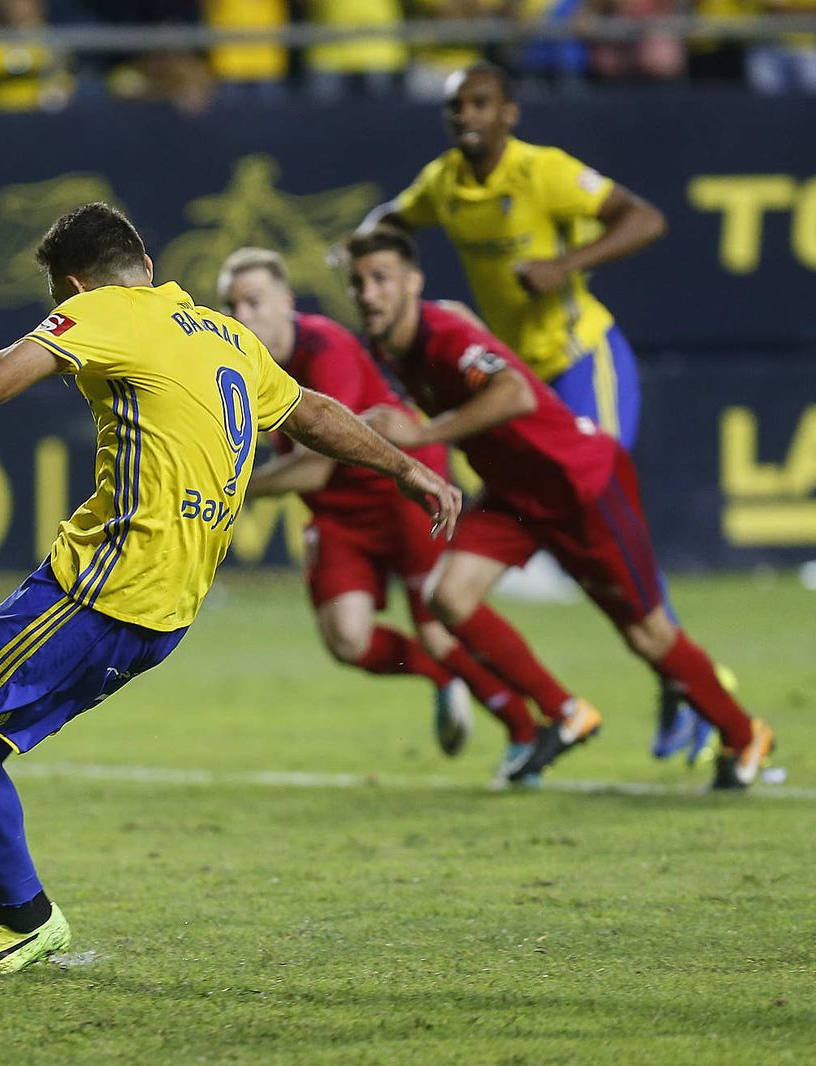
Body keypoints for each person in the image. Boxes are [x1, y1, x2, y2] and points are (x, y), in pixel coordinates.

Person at [0, 204, 461, 976]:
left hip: (106, 587)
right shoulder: (226, 335)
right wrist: (404, 465)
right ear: (148, 267)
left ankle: (24, 917)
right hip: (170, 608)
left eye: (60, 300)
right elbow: (313, 413)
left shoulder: (101, 313)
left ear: (76, 287)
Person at [355, 61, 717, 765]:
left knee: (605, 515)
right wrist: (361, 252)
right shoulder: (446, 185)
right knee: (583, 534)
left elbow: (645, 218)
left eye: (481, 104)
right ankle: (614, 697)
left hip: (582, 361)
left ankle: (688, 696)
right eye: (456, 106)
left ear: (508, 114)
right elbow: (388, 222)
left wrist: (566, 264)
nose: (466, 117)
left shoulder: (542, 171)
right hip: (516, 378)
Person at [345, 228, 775, 791]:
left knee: (647, 635)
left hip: (580, 484)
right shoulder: (388, 346)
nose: (368, 293)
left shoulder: (444, 334)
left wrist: (426, 431)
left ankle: (745, 735)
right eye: (357, 282)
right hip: (513, 494)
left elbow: (516, 394)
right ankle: (564, 711)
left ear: (412, 283)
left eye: (381, 279)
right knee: (448, 598)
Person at [218, 247, 542, 778]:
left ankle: (527, 731)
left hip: (399, 496)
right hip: (337, 515)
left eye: (253, 302)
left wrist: (232, 488)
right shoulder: (235, 364)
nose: (241, 317)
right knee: (348, 639)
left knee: (440, 629)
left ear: (285, 302)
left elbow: (317, 466)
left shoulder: (326, 349)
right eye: (231, 305)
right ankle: (442, 680)